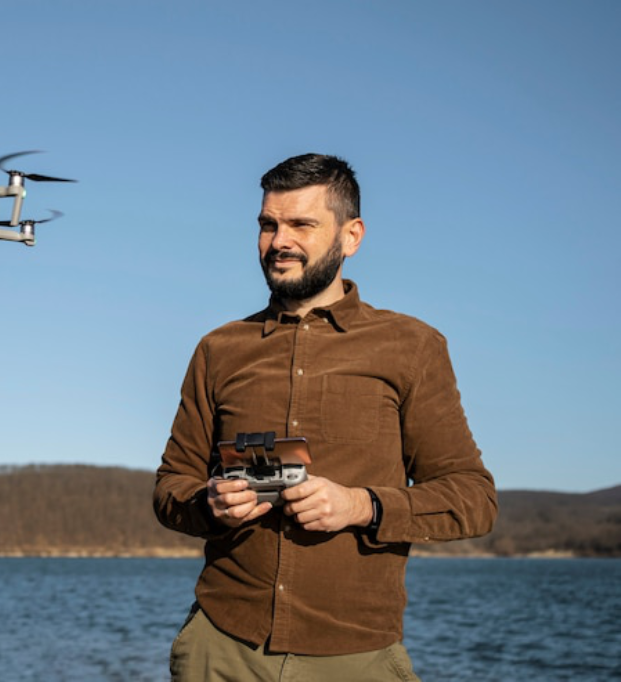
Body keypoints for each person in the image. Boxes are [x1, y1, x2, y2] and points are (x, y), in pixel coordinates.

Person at [154, 153, 497, 681]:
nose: (279, 241)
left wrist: (361, 505)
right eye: (268, 225)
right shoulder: (218, 349)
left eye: (301, 224)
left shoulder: (412, 347)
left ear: (351, 236)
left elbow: (473, 500)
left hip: (355, 658)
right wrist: (210, 504)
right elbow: (170, 488)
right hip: (221, 648)